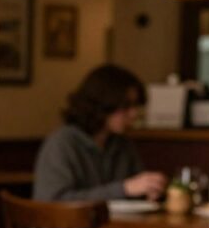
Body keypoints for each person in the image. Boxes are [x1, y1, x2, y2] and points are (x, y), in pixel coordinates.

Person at [33, 65, 167, 202]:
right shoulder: (62, 143)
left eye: (135, 106)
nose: (133, 114)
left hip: (116, 223)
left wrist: (150, 191)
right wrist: (123, 189)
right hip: (70, 224)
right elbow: (53, 202)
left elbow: (136, 189)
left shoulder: (123, 144)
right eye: (126, 106)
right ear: (103, 104)